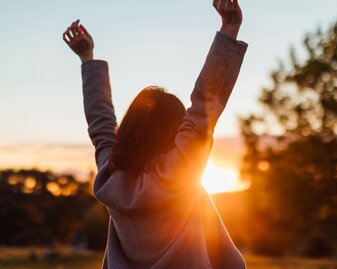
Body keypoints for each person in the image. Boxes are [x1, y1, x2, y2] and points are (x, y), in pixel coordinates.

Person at [63, 0, 247, 268]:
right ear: (172, 133)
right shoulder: (177, 172)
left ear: (126, 130)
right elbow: (203, 109)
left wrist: (87, 59)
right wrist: (230, 28)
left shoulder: (110, 177)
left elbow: (101, 126)